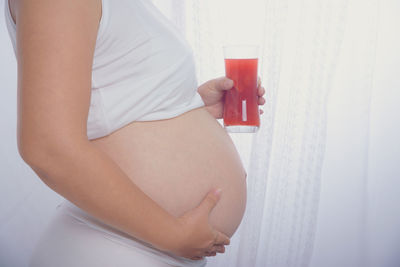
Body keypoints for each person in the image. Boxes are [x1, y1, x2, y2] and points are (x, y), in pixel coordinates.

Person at [4, 0, 266, 266]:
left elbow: (115, 100)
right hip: (112, 249)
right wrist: (172, 234)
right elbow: (47, 148)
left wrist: (187, 106)